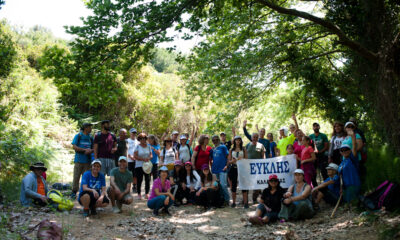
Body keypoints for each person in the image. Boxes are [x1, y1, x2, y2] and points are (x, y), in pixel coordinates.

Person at [71, 123, 94, 199]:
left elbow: (94, 148)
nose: (91, 129)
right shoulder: (78, 136)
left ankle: (84, 192)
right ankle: (74, 192)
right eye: (89, 127)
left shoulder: (90, 137)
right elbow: (74, 147)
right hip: (79, 160)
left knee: (86, 178)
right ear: (85, 128)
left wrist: (91, 151)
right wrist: (85, 150)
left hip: (88, 161)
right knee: (76, 177)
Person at [244, 132, 266, 208]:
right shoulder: (248, 145)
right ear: (251, 137)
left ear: (258, 138)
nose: (255, 138)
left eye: (256, 137)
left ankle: (254, 198)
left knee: (257, 183)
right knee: (248, 183)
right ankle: (245, 200)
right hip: (249, 168)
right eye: (254, 137)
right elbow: (244, 155)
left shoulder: (261, 145)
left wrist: (264, 163)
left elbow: (263, 156)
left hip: (258, 168)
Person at [228, 136, 248, 207]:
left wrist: (242, 159)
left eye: (239, 140)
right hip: (234, 168)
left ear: (241, 141)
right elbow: (229, 161)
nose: (238, 141)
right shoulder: (231, 150)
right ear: (234, 141)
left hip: (242, 168)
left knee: (243, 185)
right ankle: (234, 202)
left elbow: (246, 159)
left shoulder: (243, 149)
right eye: (236, 140)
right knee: (233, 185)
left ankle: (245, 203)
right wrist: (232, 161)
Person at [211, 135, 230, 206]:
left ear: (219, 140)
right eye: (213, 140)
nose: (215, 141)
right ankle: (221, 200)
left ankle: (227, 200)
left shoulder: (223, 147)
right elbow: (211, 159)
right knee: (216, 186)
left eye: (216, 139)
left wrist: (227, 166)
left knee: (223, 185)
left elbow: (228, 157)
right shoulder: (213, 149)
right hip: (214, 170)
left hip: (222, 169)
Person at [134, 133, 152, 200]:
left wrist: (149, 158)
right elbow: (135, 156)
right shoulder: (137, 146)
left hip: (147, 166)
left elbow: (151, 155)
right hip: (139, 165)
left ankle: (147, 193)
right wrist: (142, 159)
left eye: (144, 138)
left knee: (148, 179)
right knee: (139, 180)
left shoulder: (149, 146)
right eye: (141, 138)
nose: (143, 140)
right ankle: (139, 194)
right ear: (139, 139)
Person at [127, 128, 139, 192]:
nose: (133, 134)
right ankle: (127, 187)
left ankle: (134, 186)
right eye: (132, 133)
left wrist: (136, 157)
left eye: (135, 133)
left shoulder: (138, 142)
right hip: (128, 161)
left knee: (135, 174)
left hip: (136, 161)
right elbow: (125, 150)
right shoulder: (127, 141)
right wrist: (129, 156)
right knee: (128, 174)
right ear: (130, 133)